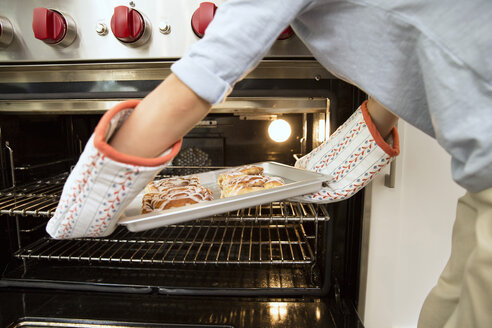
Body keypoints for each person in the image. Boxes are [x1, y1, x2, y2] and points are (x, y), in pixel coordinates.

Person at [46, 0, 491, 327]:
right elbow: (398, 58)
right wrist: (354, 145)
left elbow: (195, 86)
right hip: (480, 176)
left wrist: (89, 204)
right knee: (441, 315)